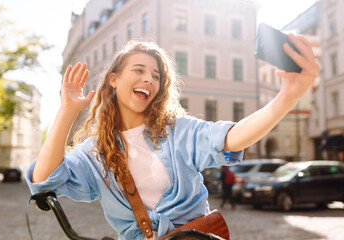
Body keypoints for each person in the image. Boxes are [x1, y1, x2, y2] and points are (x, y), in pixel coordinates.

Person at [26, 36, 319, 239]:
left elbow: (232, 137)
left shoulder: (179, 131)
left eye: (156, 76)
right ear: (113, 80)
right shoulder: (94, 152)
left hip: (195, 238)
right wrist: (66, 111)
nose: (149, 80)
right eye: (139, 70)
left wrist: (286, 98)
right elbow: (44, 180)